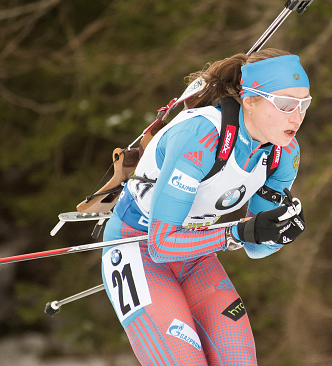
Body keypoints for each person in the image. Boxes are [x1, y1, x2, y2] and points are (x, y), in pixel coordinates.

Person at [100, 48, 309, 365]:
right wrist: (238, 233)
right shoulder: (200, 136)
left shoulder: (283, 154)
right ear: (250, 100)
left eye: (304, 103)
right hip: (136, 247)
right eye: (285, 104)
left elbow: (256, 247)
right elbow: (161, 244)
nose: (296, 116)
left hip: (194, 254)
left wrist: (277, 233)